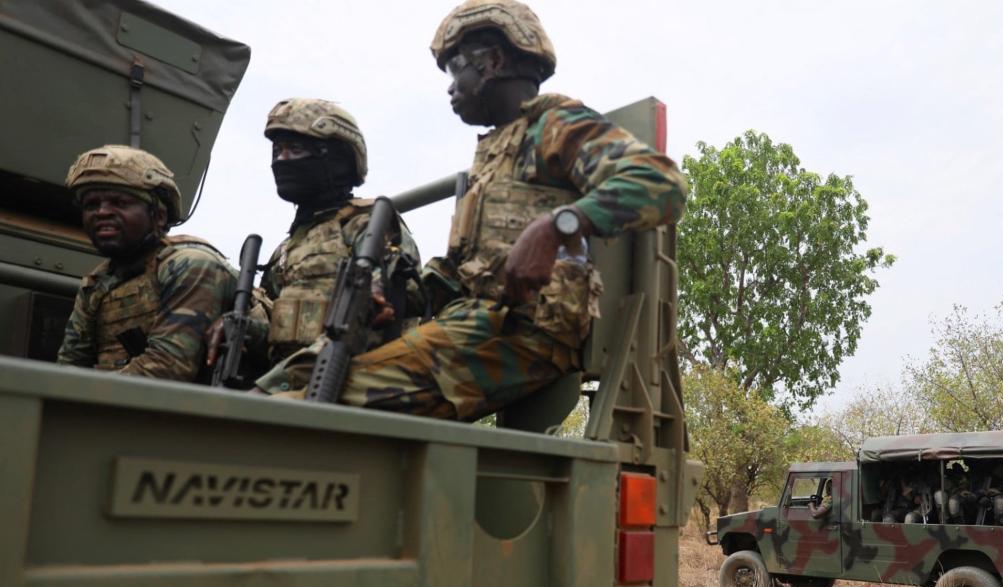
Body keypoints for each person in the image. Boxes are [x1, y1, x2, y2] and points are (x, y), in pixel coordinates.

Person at [260, 0, 686, 418]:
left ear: (493, 62)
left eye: (455, 68)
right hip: (476, 323)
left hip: (525, 333)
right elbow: (457, 274)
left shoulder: (555, 125)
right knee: (302, 373)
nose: (450, 87)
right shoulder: (493, 158)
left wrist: (556, 227)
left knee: (321, 400)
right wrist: (389, 291)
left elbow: (660, 183)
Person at [210, 98, 419, 389]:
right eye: (277, 151)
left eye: (295, 149)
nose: (282, 160)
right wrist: (245, 329)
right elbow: (285, 332)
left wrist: (269, 389)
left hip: (351, 384)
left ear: (338, 159)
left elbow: (382, 314)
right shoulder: (286, 250)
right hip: (289, 387)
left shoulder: (366, 225)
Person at [57, 145, 234, 381]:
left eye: (119, 202)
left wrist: (83, 392)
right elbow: (68, 367)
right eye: (92, 205)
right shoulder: (98, 284)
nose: (102, 212)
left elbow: (167, 369)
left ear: (158, 216)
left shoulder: (191, 265)